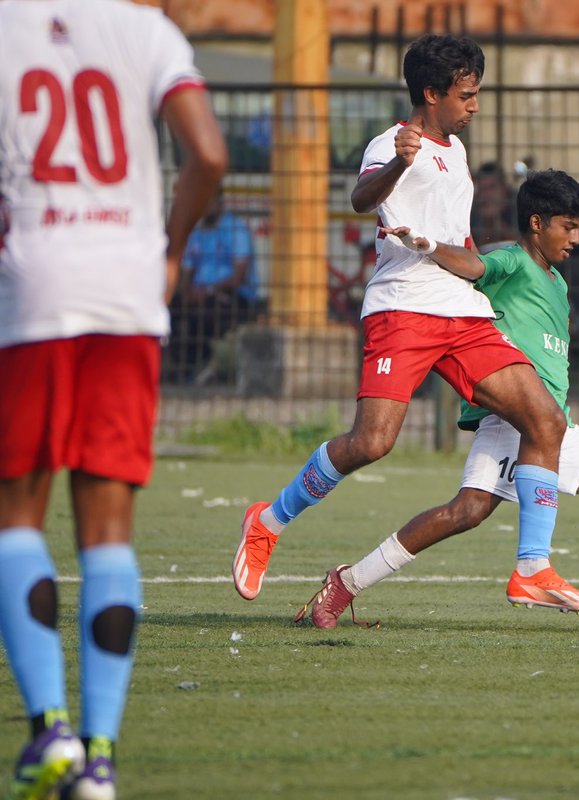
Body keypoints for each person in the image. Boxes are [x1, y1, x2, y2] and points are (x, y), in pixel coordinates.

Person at [232, 34, 579, 614]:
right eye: (466, 94)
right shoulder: (393, 144)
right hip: (403, 309)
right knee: (372, 442)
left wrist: (481, 275)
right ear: (432, 92)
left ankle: (533, 567)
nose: (475, 104)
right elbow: (360, 198)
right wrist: (400, 163)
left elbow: (463, 242)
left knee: (544, 418)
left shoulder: (457, 151)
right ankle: (269, 519)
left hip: (464, 314)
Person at [296, 170, 579, 628]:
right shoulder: (512, 259)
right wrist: (426, 246)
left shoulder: (557, 282)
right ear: (537, 223)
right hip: (515, 419)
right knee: (475, 511)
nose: (576, 239)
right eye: (568, 226)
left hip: (551, 424)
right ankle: (576, 577)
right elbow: (474, 265)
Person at [0, 1, 227, 797]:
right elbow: (208, 154)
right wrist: (167, 248)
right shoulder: (146, 29)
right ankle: (99, 758)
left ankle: (48, 733)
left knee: (16, 514)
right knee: (107, 531)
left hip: (34, 285)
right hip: (127, 292)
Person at [167, 187, 260, 383]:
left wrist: (209, 291)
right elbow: (186, 271)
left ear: (220, 203)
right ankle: (180, 367)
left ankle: (203, 363)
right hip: (201, 293)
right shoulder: (196, 232)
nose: (205, 208)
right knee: (170, 311)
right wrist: (185, 292)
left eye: (210, 202)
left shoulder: (236, 229)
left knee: (203, 314)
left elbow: (239, 276)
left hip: (233, 295)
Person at [470, 160, 518, 249]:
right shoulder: (473, 209)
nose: (486, 194)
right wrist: (487, 222)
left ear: (504, 188)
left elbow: (524, 246)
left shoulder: (517, 205)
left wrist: (496, 220)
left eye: (492, 187)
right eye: (482, 189)